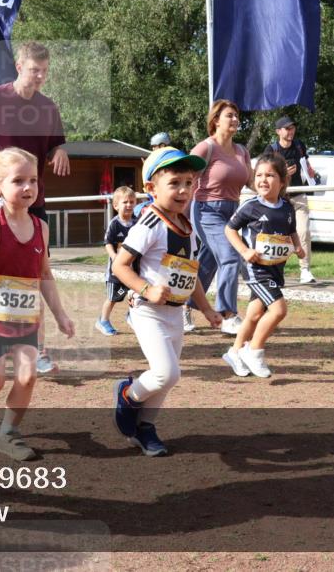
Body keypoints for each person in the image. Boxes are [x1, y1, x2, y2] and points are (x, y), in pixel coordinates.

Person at [0, 41, 70, 375]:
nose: (39, 76)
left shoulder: (48, 108)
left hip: (31, 202)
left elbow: (55, 145)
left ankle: (36, 349)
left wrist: (60, 151)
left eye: (44, 71)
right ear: (19, 65)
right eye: (33, 70)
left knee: (34, 274)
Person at [112, 148, 222, 456]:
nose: (184, 190)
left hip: (175, 314)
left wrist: (208, 308)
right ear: (151, 188)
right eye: (174, 183)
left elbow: (192, 274)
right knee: (167, 372)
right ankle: (127, 394)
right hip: (148, 312)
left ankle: (145, 429)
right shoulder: (149, 223)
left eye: (188, 182)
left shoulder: (188, 229)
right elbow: (120, 266)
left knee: (168, 376)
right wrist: (145, 289)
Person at [0, 148, 75, 460]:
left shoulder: (41, 227)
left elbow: (44, 273)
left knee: (28, 376)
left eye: (33, 180)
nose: (28, 187)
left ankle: (8, 432)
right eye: (18, 181)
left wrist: (60, 315)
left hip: (26, 317)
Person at [223, 153, 305, 379]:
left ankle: (235, 352)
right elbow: (229, 230)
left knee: (254, 314)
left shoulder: (287, 207)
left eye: (270, 175)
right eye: (259, 175)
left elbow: (291, 231)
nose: (263, 180)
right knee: (278, 310)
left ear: (282, 181)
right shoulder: (250, 207)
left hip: (275, 269)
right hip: (255, 269)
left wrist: (298, 248)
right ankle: (254, 351)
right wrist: (245, 251)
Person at [188, 99, 253, 335]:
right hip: (206, 210)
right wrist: (177, 212)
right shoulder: (206, 148)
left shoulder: (242, 151)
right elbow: (186, 179)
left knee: (209, 263)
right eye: (230, 115)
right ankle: (227, 314)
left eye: (236, 115)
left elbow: (252, 182)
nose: (235, 119)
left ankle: (185, 306)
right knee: (230, 255)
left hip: (232, 212)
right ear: (216, 120)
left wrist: (276, 187)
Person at [263, 116, 317, 284]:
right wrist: (284, 174)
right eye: (287, 128)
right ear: (278, 131)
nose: (291, 131)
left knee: (303, 232)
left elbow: (306, 164)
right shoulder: (271, 149)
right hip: (279, 198)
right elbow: (265, 174)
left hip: (299, 195)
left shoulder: (300, 146)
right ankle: (274, 271)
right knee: (278, 236)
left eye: (292, 128)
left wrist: (310, 172)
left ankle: (305, 270)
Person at [96, 185, 136, 336]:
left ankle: (132, 316)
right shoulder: (114, 224)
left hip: (133, 270)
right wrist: (114, 258)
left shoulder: (138, 223)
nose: (129, 205)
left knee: (136, 294)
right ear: (116, 205)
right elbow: (107, 243)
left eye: (132, 202)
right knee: (113, 298)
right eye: (125, 202)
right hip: (116, 273)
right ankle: (103, 320)